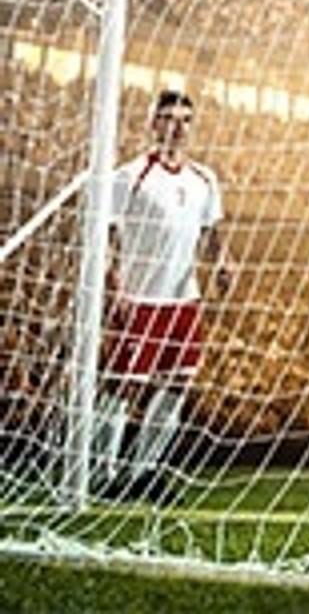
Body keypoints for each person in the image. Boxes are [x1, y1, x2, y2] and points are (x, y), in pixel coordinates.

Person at [96, 89, 232, 503]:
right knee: (122, 387)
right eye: (170, 118)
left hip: (183, 299)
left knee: (177, 383)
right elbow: (105, 234)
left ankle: (143, 472)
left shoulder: (204, 179)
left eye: (186, 120)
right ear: (154, 123)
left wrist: (223, 262)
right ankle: (102, 473)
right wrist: (114, 285)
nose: (178, 127)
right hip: (139, 298)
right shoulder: (130, 176)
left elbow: (212, 230)